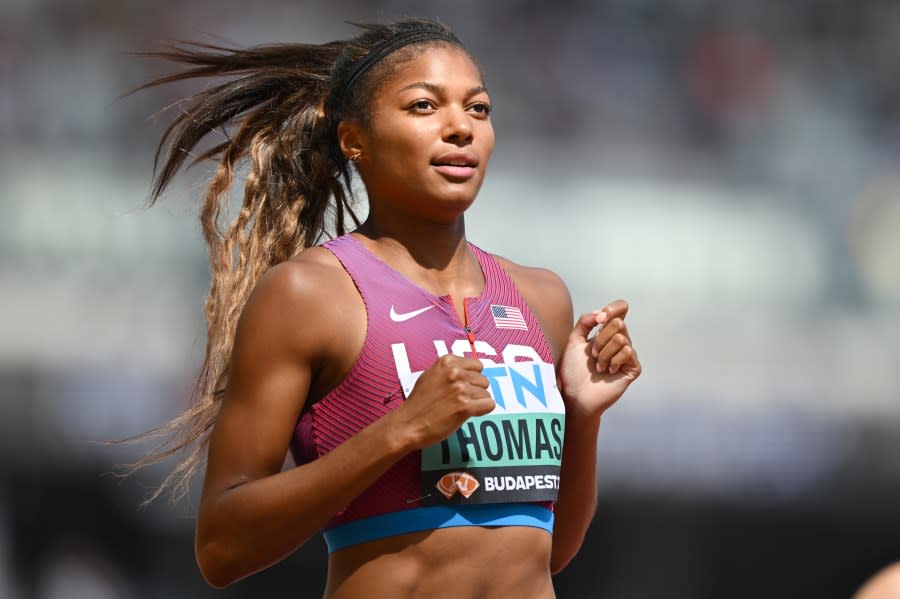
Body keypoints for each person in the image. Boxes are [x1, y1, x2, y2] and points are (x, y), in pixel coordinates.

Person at [135, 17, 641, 597]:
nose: (460, 129)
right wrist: (399, 431)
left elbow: (551, 552)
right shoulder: (310, 294)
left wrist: (582, 414)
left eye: (478, 108)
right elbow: (221, 547)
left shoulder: (540, 299)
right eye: (425, 106)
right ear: (355, 140)